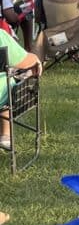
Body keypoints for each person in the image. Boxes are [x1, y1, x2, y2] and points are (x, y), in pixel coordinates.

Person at [0, 14, 41, 150]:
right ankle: (5, 136)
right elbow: (24, 61)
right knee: (9, 83)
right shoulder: (1, 36)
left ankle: (5, 135)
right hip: (3, 96)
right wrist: (35, 59)